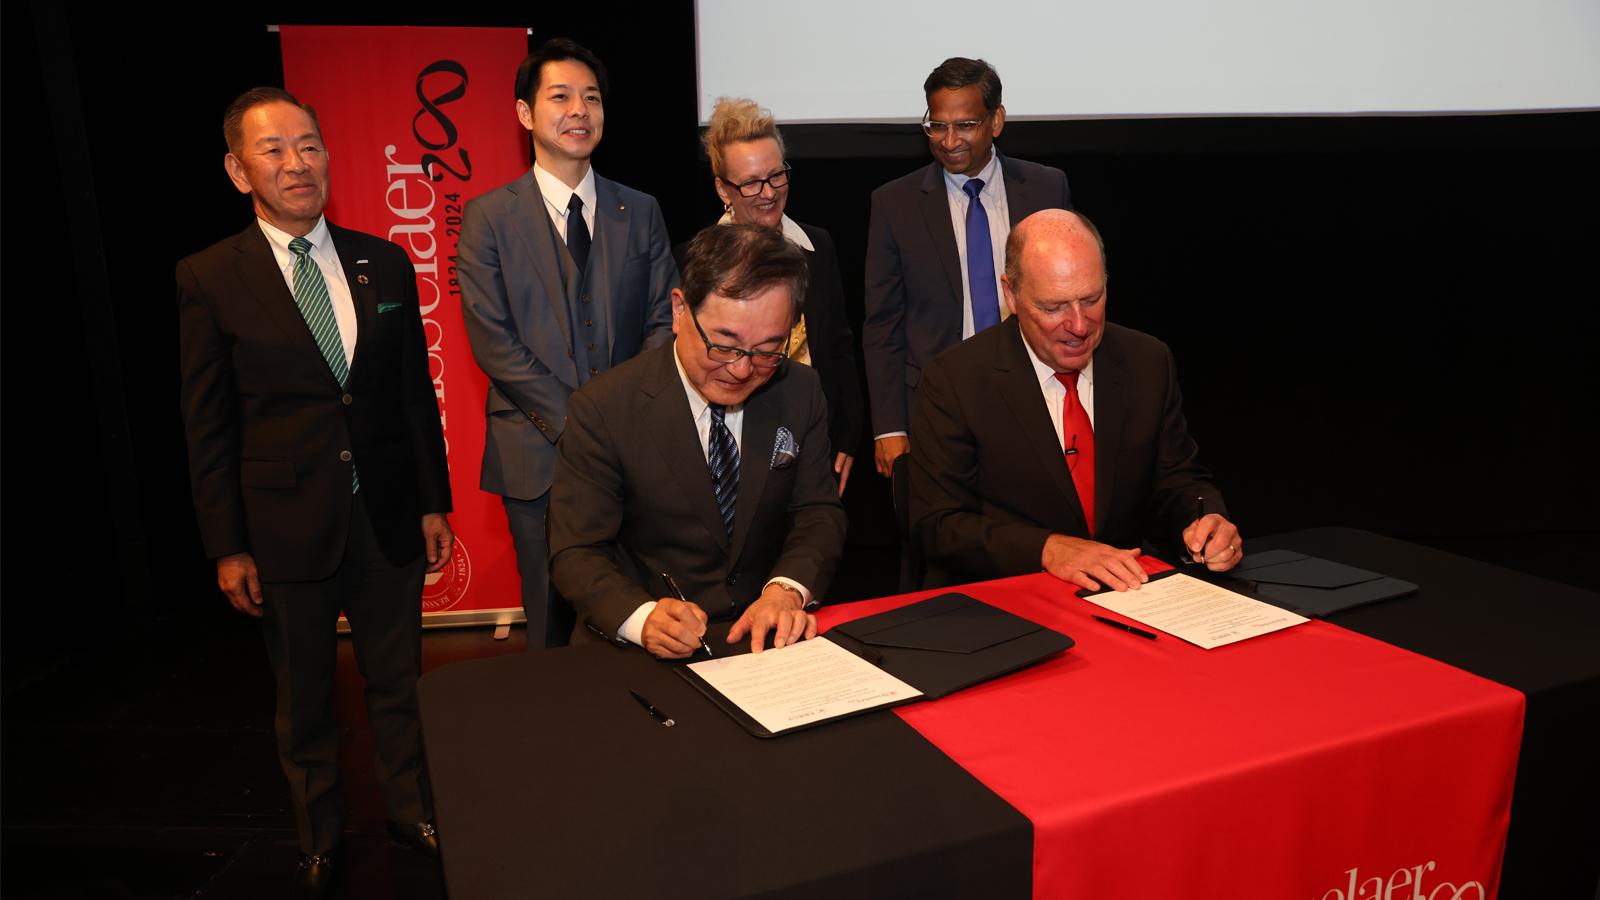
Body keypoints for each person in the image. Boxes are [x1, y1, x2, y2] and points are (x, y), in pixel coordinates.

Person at [176, 87, 453, 897]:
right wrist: (226, 543)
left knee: (400, 682)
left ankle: (412, 811)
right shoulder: (208, 277)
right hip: (283, 524)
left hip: (389, 514)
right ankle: (320, 837)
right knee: (304, 701)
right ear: (238, 169)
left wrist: (433, 500)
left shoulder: (383, 258)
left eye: (309, 145)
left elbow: (412, 399)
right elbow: (206, 422)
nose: (297, 164)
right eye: (274, 150)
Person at [457, 38, 676, 649]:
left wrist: (626, 417)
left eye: (592, 98)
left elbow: (665, 319)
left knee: (640, 611)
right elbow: (493, 340)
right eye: (561, 97)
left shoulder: (643, 210)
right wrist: (580, 422)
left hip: (637, 449)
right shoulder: (487, 218)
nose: (579, 110)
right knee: (551, 617)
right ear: (526, 113)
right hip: (537, 454)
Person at [549, 224, 847, 659]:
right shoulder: (606, 407)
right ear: (679, 309)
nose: (742, 370)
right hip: (643, 649)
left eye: (767, 349)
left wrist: (785, 591)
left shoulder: (799, 390)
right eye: (724, 345)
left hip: (762, 640)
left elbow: (818, 512)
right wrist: (641, 616)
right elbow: (576, 551)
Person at [909, 209, 1242, 591]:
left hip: (1124, 595)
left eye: (1092, 298)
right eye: (1053, 307)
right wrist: (1048, 550)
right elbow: (937, 524)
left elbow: (1177, 480)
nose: (1080, 325)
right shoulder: (956, 379)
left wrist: (1206, 521)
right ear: (1011, 295)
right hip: (1010, 600)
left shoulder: (1146, 361)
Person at [862, 57, 1073, 480]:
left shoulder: (1047, 188)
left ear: (996, 121)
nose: (948, 140)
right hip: (934, 406)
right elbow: (883, 323)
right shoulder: (895, 204)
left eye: (965, 125)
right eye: (937, 125)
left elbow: (1069, 301)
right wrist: (889, 425)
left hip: (1034, 396)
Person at [675, 96, 865, 495]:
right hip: (734, 451)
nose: (768, 192)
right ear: (722, 189)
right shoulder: (693, 261)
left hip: (816, 443)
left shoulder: (819, 245)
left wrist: (848, 434)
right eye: (750, 182)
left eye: (777, 176)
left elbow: (838, 345)